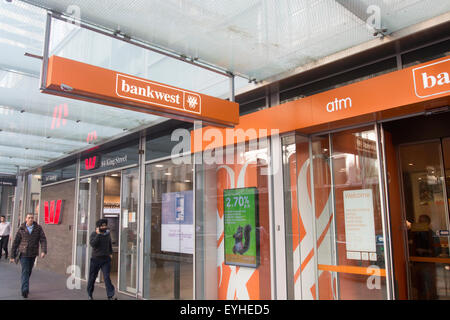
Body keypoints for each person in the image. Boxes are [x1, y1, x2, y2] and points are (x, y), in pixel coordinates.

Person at [9, 213, 47, 298]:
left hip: (33, 254)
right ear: (26, 219)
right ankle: (25, 290)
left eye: (32, 218)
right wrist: (12, 256)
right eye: (29, 218)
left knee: (28, 271)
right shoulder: (22, 228)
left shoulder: (38, 228)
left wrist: (43, 251)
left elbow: (43, 239)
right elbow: (15, 242)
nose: (30, 219)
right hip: (23, 254)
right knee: (25, 271)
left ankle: (24, 284)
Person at [87, 218, 117, 300]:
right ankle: (90, 294)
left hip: (105, 260)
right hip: (95, 259)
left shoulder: (107, 234)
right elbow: (93, 244)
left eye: (105, 225)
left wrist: (110, 253)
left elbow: (109, 244)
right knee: (92, 277)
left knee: (107, 277)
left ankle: (110, 295)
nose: (104, 227)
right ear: (99, 226)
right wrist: (98, 234)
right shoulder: (94, 234)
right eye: (102, 225)